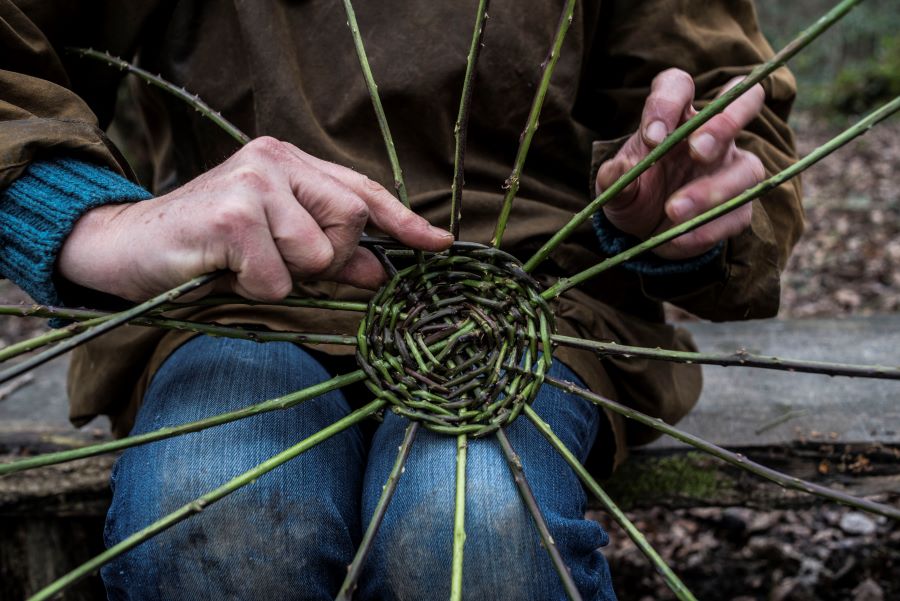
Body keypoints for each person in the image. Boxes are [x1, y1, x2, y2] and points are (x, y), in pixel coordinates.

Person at [0, 0, 801, 599]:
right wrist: (87, 219)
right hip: (237, 291)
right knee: (213, 515)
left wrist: (673, 203)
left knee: (474, 525)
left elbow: (729, 107)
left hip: (527, 299)